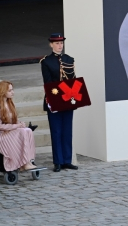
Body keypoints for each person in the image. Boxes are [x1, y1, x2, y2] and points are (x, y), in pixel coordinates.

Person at [40, 33, 78, 172]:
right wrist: (60, 95)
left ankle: (67, 160)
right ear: (51, 44)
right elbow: (48, 82)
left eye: (61, 42)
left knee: (67, 131)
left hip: (68, 98)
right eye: (56, 43)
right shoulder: (46, 61)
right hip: (54, 98)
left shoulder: (69, 59)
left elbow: (72, 80)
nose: (59, 45)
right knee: (56, 131)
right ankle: (58, 161)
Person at [0, 81, 39, 172]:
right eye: (10, 90)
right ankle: (24, 163)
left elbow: (13, 120)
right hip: (0, 134)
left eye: (12, 90)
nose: (13, 92)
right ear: (3, 91)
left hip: (10, 130)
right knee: (22, 131)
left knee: (27, 130)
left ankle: (29, 160)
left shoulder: (10, 103)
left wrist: (20, 123)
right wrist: (17, 126)